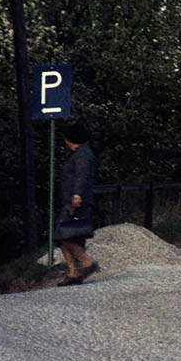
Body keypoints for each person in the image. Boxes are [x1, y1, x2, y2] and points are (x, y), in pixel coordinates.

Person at [55, 122, 100, 286]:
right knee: (62, 238)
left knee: (64, 235)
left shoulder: (83, 155)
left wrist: (77, 194)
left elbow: (82, 176)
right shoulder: (79, 153)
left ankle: (87, 263)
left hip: (76, 202)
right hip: (69, 201)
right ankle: (73, 273)